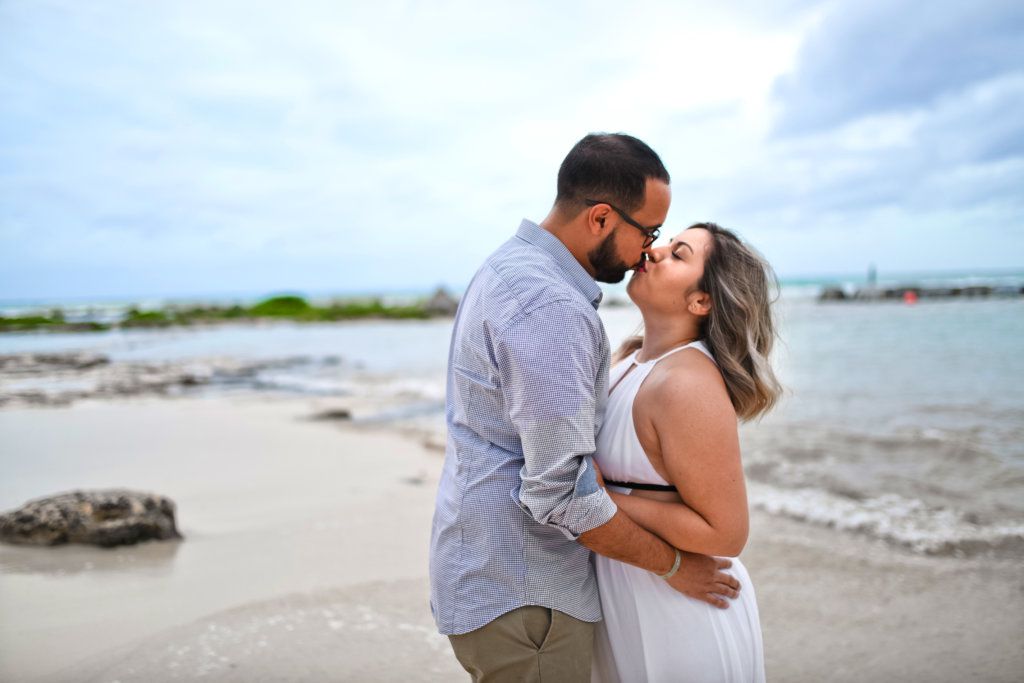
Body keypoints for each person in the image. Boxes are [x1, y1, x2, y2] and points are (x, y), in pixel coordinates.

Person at [429, 134, 741, 683]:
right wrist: (673, 566)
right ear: (600, 218)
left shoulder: (509, 269)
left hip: (495, 578)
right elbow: (560, 493)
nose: (649, 248)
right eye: (649, 232)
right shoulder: (552, 306)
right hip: (527, 592)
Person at [591, 222, 782, 682]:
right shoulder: (629, 362)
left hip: (681, 611)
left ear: (701, 301)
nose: (653, 252)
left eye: (678, 254)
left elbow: (725, 533)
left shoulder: (688, 382)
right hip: (633, 589)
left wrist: (600, 500)